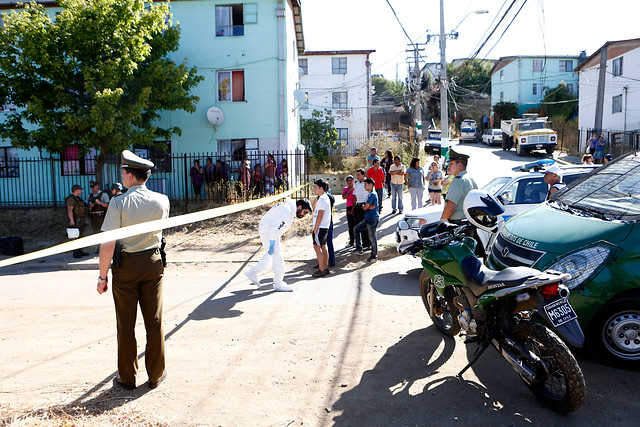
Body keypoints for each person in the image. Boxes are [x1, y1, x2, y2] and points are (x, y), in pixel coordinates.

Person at [97, 150, 170, 391]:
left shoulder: (119, 202)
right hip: (153, 263)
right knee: (155, 321)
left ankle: (127, 378)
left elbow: (108, 244)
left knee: (126, 325)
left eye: (122, 172)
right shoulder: (163, 200)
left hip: (126, 267)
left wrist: (102, 276)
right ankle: (156, 375)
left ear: (128, 175)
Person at [244, 198, 312, 292]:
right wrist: (272, 243)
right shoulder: (287, 210)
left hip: (269, 231)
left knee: (271, 256)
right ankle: (278, 284)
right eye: (305, 212)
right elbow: (275, 228)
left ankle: (252, 272)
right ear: (300, 207)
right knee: (278, 258)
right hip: (269, 232)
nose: (304, 215)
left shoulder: (288, 209)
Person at [441, 149, 478, 221]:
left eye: (451, 164)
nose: (448, 166)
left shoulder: (458, 181)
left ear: (459, 165)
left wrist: (441, 223)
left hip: (458, 223)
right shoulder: (471, 179)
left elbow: (450, 207)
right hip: (469, 221)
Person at [353, 177, 379, 262]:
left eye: (365, 184)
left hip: (372, 219)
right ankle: (359, 248)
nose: (364, 186)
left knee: (372, 238)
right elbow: (367, 206)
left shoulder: (372, 194)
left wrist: (365, 206)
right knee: (356, 229)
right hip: (368, 219)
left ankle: (374, 256)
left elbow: (365, 207)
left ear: (370, 185)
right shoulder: (370, 194)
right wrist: (366, 206)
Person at [311, 179, 332, 277]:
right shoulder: (323, 198)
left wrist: (315, 229)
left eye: (316, 187)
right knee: (323, 246)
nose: (315, 189)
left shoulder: (323, 199)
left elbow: (320, 215)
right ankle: (325, 267)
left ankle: (322, 269)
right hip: (323, 227)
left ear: (321, 188)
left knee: (317, 247)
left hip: (320, 227)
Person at [65, 184, 90, 258]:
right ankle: (76, 252)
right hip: (76, 219)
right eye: (80, 189)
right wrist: (71, 220)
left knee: (80, 235)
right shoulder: (71, 199)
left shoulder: (78, 198)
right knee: (75, 236)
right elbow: (70, 210)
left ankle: (80, 250)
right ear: (76, 190)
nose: (81, 191)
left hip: (81, 218)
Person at [353, 169, 371, 248]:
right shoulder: (356, 184)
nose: (357, 177)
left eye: (359, 175)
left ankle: (369, 243)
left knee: (367, 226)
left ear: (363, 175)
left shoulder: (367, 183)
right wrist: (354, 207)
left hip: (366, 206)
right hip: (358, 206)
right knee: (360, 226)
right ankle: (364, 244)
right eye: (357, 175)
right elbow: (355, 196)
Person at [342, 175, 356, 247]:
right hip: (348, 207)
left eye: (351, 180)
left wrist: (353, 208)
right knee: (350, 225)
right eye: (348, 180)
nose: (350, 182)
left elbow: (355, 198)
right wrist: (349, 190)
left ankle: (357, 241)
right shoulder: (346, 189)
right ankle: (351, 241)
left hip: (355, 206)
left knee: (356, 224)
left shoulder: (356, 188)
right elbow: (344, 197)